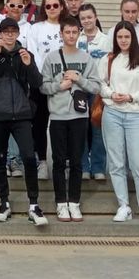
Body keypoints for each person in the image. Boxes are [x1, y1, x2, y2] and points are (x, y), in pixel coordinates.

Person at [0, 18, 47, 227]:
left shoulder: (25, 54)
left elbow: (37, 83)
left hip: (22, 115)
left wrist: (29, 64)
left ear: (17, 34)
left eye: (12, 32)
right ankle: (3, 201)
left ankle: (33, 204)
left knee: (28, 157)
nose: (9, 35)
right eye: (5, 32)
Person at [40, 16, 100, 222]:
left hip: (79, 115)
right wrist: (60, 85)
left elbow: (96, 87)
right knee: (58, 161)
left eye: (75, 32)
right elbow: (43, 86)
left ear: (79, 33)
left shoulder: (85, 58)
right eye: (68, 32)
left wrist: (78, 79)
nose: (71, 36)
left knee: (76, 160)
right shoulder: (51, 58)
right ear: (61, 34)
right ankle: (60, 203)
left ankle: (74, 202)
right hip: (57, 116)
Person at [101, 21, 139, 223]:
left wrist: (131, 97)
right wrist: (112, 94)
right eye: (120, 37)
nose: (123, 40)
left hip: (135, 114)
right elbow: (101, 84)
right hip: (112, 113)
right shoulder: (109, 59)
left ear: (133, 38)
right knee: (116, 162)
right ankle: (123, 205)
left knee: (138, 162)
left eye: (127, 37)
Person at [24, 0, 67, 180]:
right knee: (39, 123)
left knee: (62, 123)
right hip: (40, 80)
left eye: (55, 5)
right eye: (47, 6)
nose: (51, 9)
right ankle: (41, 160)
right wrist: (43, 77)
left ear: (61, 7)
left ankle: (62, 160)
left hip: (64, 82)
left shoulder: (68, 27)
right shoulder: (36, 28)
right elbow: (33, 53)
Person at [77, 2, 110, 180]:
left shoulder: (105, 40)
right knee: (81, 129)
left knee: (97, 128)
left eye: (89, 17)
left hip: (98, 90)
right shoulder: (77, 39)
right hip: (80, 89)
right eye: (83, 18)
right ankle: (83, 166)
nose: (87, 21)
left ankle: (98, 167)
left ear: (95, 17)